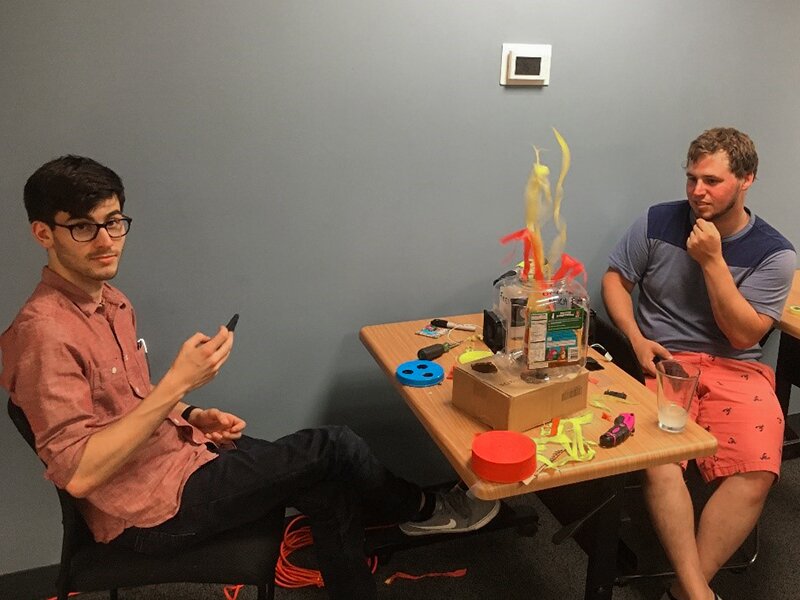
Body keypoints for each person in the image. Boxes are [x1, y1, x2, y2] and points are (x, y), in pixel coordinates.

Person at [0, 155, 500, 600]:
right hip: (147, 513)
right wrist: (177, 385)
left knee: (330, 487)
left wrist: (192, 413)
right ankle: (424, 508)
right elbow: (80, 471)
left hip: (179, 457)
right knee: (335, 447)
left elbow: (128, 400)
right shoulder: (43, 335)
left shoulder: (110, 302)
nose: (106, 241)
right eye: (84, 228)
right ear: (43, 233)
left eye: (114, 222)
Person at [602, 127, 796, 600]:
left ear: (747, 179)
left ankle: (684, 588)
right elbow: (614, 280)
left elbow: (744, 335)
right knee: (662, 460)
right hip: (666, 363)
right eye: (691, 178)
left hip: (737, 367)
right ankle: (696, 592)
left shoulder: (776, 253)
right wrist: (636, 336)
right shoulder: (657, 221)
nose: (696, 192)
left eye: (711, 181)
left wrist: (712, 261)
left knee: (759, 465)